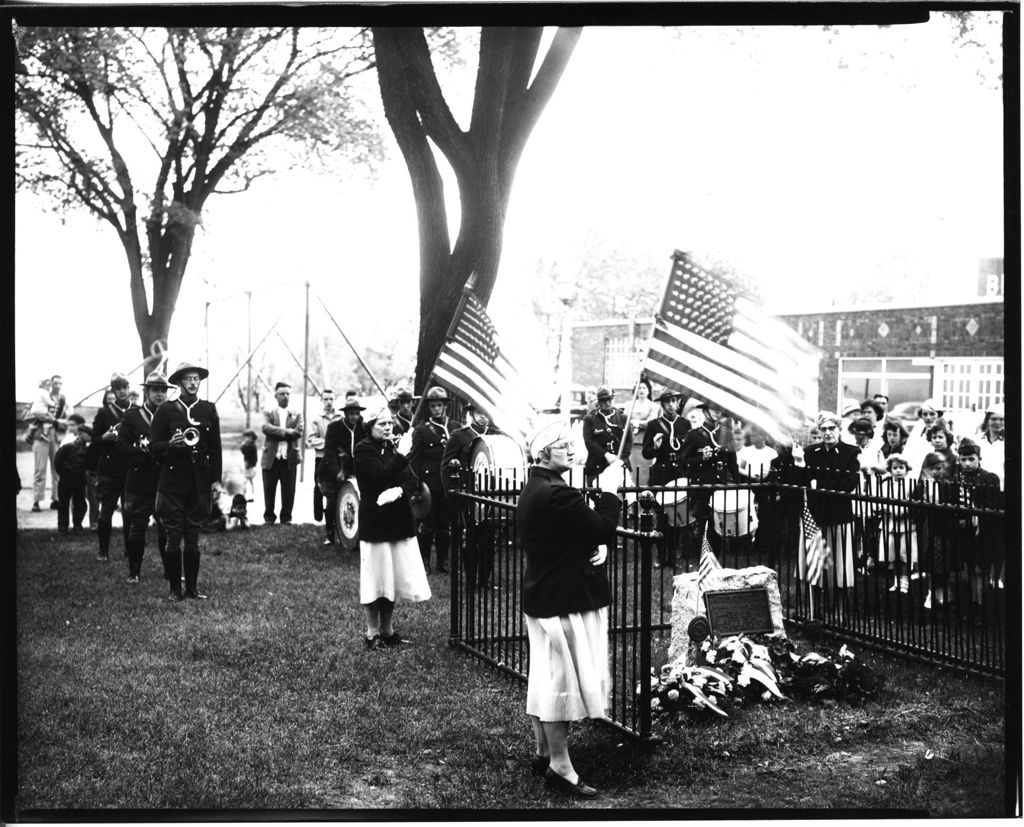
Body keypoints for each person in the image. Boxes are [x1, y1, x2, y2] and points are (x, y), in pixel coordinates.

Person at [518, 420, 622, 800]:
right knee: (560, 681)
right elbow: (601, 528)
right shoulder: (558, 494)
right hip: (564, 599)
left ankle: (545, 751)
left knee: (544, 674)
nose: (571, 449)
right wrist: (610, 493)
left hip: (544, 594)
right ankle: (561, 766)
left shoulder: (537, 487)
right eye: (562, 446)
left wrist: (590, 542)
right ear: (545, 453)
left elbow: (570, 534)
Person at [353, 405, 431, 650]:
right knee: (375, 578)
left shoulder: (392, 448)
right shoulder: (364, 449)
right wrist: (401, 455)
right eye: (382, 424)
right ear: (370, 427)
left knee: (391, 578)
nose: (388, 428)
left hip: (398, 522)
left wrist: (399, 491)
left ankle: (387, 629)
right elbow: (380, 477)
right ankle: (371, 632)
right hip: (376, 523)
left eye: (389, 423)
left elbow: (412, 480)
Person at [150, 361, 222, 600]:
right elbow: (153, 447)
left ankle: (192, 588)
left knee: (193, 536)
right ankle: (174, 590)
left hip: (199, 483)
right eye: (188, 379)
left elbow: (216, 449)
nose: (193, 383)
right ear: (179, 382)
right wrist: (170, 445)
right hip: (171, 483)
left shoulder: (208, 409)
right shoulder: (166, 410)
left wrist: (215, 481)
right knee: (173, 536)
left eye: (196, 379)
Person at [792, 412, 862, 605]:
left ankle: (839, 608)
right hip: (815, 515)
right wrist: (799, 464)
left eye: (832, 428)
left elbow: (848, 483)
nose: (828, 433)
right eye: (824, 429)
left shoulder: (851, 452)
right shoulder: (810, 452)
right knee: (816, 561)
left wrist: (817, 482)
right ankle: (816, 607)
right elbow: (800, 484)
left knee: (840, 565)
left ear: (839, 429)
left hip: (839, 515)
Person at [115, 370, 169, 584]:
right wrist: (142, 451)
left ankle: (169, 571)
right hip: (139, 480)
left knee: (166, 527)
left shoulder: (171, 414)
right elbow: (120, 447)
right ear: (146, 391)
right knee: (137, 526)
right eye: (155, 390)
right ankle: (134, 572)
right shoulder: (132, 415)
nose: (159, 394)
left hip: (165, 480)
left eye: (163, 390)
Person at [442, 403, 502, 588]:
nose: (483, 417)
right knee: (470, 539)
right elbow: (446, 467)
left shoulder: (494, 435)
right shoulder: (460, 436)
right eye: (479, 413)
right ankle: (470, 580)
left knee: (488, 540)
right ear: (471, 414)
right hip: (467, 495)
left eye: (486, 413)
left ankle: (485, 579)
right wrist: (452, 494)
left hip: (489, 494)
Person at [952, 439, 1002, 625]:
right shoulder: (957, 478)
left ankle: (982, 607)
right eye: (963, 459)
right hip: (965, 533)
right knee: (970, 570)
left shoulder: (990, 478)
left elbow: (992, 507)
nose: (967, 463)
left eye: (971, 459)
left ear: (979, 459)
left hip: (985, 532)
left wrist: (975, 515)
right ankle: (973, 604)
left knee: (981, 570)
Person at [408, 386, 458, 573]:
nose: (437, 409)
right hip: (429, 486)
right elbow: (414, 460)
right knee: (427, 526)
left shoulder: (454, 428)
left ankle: (443, 563)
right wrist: (416, 486)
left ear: (446, 406)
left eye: (440, 405)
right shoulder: (421, 429)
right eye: (433, 405)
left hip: (448, 486)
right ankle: (425, 562)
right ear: (429, 407)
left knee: (444, 527)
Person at [641, 387, 690, 568]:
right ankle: (661, 558)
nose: (671, 405)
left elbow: (688, 451)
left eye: (674, 401)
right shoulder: (654, 425)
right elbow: (646, 453)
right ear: (662, 404)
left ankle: (673, 557)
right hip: (661, 474)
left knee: (676, 516)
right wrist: (655, 445)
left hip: (678, 473)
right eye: (667, 401)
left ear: (678, 403)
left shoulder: (685, 424)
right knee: (661, 518)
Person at [91, 372, 132, 562]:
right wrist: (104, 438)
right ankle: (103, 551)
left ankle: (129, 550)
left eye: (125, 387)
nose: (122, 391)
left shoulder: (136, 410)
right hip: (109, 469)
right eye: (118, 388)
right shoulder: (104, 412)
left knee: (129, 512)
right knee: (105, 512)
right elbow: (93, 440)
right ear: (113, 390)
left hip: (131, 468)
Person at [320, 397, 367, 546]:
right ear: (345, 414)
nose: (354, 417)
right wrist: (337, 471)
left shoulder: (362, 427)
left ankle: (349, 532)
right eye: (351, 414)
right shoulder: (334, 427)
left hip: (354, 470)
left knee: (352, 499)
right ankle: (330, 534)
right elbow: (329, 451)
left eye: (357, 414)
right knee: (332, 501)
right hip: (332, 470)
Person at [260, 381, 304, 525]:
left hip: (289, 457)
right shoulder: (268, 412)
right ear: (275, 396)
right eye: (282, 394)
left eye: (287, 394)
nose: (285, 396)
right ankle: (269, 517)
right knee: (269, 489)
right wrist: (286, 432)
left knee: (289, 490)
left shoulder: (296, 414)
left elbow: (298, 432)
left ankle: (286, 517)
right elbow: (266, 428)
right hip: (271, 457)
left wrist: (278, 432)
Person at [26, 375, 69, 512]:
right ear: (50, 384)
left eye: (60, 383)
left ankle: (55, 499)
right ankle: (36, 501)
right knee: (40, 469)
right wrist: (41, 416)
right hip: (40, 436)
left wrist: (56, 422)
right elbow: (26, 415)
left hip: (55, 437)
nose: (57, 386)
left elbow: (68, 421)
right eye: (55, 383)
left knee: (57, 469)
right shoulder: (41, 396)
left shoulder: (63, 401)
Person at [876, 453, 917, 593]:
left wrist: (900, 510)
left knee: (904, 554)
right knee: (892, 554)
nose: (898, 470)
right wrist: (883, 508)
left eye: (901, 467)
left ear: (907, 469)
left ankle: (905, 581)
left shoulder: (911, 484)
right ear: (890, 469)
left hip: (905, 524)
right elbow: (879, 502)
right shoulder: (885, 483)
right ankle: (896, 581)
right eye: (895, 468)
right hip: (889, 523)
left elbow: (912, 504)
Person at [582, 386, 632, 484]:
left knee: (623, 495)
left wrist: (621, 459)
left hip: (620, 463)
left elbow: (629, 440)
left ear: (613, 399)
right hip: (598, 465)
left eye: (609, 400)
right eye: (604, 401)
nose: (607, 403)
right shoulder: (590, 419)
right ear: (599, 402)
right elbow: (589, 442)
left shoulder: (623, 418)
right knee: (599, 495)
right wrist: (606, 455)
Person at [53, 414, 92, 533]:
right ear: (80, 435)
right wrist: (63, 473)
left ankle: (77, 525)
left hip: (79, 479)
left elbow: (88, 464)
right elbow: (57, 461)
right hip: (66, 477)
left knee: (80, 503)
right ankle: (63, 526)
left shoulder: (88, 451)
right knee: (63, 502)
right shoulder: (67, 446)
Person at [305, 389, 339, 524]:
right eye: (326, 399)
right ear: (321, 401)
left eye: (331, 399)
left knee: (337, 484)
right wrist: (330, 444)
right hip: (321, 457)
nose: (329, 402)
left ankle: (335, 514)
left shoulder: (340, 417)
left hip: (337, 458)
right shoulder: (316, 418)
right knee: (319, 485)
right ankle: (318, 517)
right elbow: (311, 439)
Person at [628, 378, 658, 486]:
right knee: (631, 471)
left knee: (644, 472)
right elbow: (625, 420)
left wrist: (636, 422)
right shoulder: (630, 405)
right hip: (631, 442)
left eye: (644, 388)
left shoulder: (653, 406)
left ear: (648, 391)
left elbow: (651, 422)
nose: (641, 390)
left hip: (645, 441)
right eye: (639, 388)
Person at [976, 403, 1004, 490]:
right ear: (987, 421)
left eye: (1001, 419)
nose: (997, 422)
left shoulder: (1012, 442)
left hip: (1001, 489)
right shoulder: (977, 440)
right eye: (993, 419)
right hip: (980, 488)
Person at [240, 429, 258, 498]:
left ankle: (247, 494)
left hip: (250, 467)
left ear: (252, 438)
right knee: (249, 481)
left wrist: (243, 445)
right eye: (245, 437)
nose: (246, 439)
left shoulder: (252, 446)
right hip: (250, 466)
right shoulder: (251, 445)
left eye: (248, 437)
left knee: (246, 481)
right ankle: (250, 494)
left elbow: (245, 452)